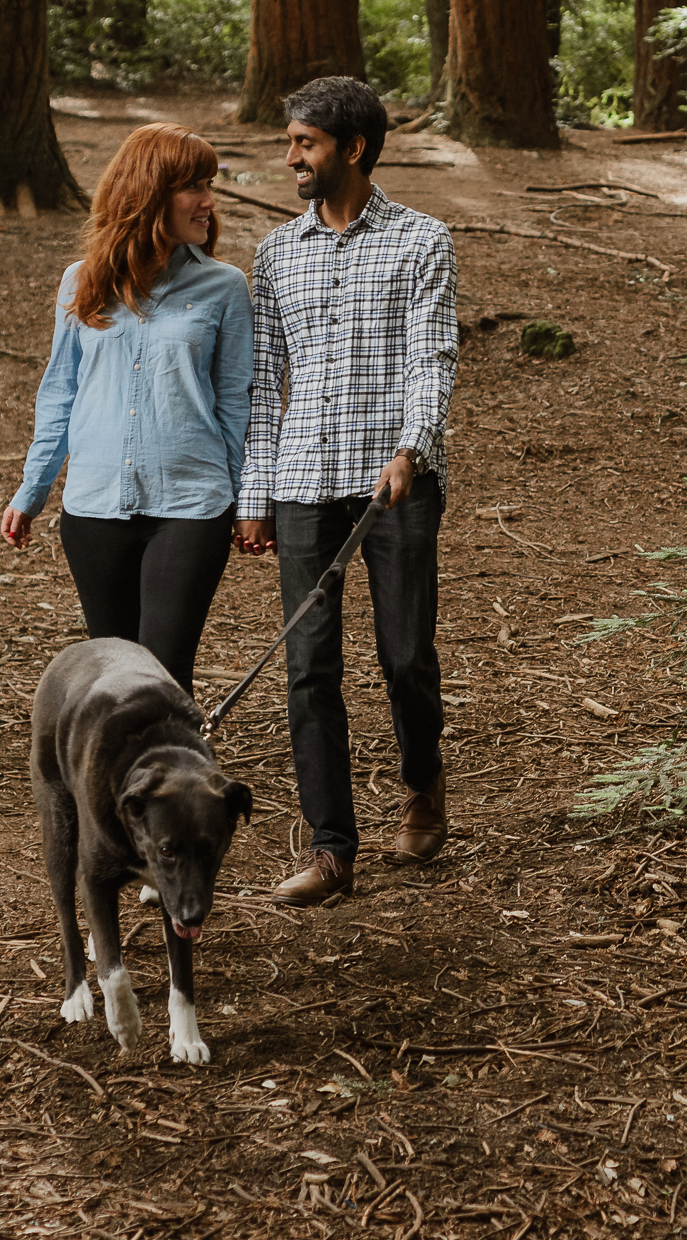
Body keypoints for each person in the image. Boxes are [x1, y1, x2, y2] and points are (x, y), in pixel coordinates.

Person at [234, 75, 457, 907]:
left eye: (305, 143)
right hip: (301, 484)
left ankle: (423, 780)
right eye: (291, 140)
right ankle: (333, 850)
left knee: (404, 655)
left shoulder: (422, 240)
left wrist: (413, 448)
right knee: (307, 667)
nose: (290, 156)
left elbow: (431, 359)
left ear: (352, 149)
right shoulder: (276, 253)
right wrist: (254, 493)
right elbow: (262, 385)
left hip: (394, 484)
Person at [3, 124, 253, 693]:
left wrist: (245, 498)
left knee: (164, 677)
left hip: (192, 505)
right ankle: (113, 785)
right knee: (112, 680)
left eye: (209, 185)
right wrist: (32, 488)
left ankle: (174, 783)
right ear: (147, 192)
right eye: (193, 186)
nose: (208, 202)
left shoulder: (225, 287)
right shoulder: (81, 281)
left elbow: (238, 403)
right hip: (93, 507)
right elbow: (60, 392)